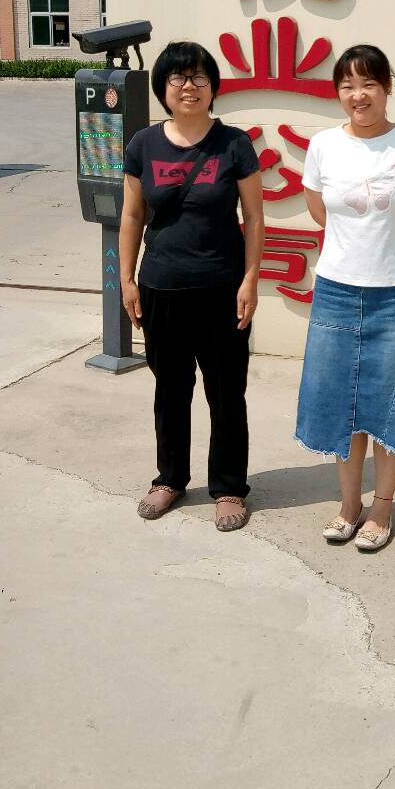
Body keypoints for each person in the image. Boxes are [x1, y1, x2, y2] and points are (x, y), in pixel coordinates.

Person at [295, 45, 395, 552]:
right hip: (335, 292)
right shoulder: (323, 146)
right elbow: (320, 211)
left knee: (391, 403)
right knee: (340, 401)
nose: (358, 95)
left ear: (386, 88)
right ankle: (348, 505)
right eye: (347, 86)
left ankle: (382, 507)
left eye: (368, 85)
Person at [120, 41, 264, 531]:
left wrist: (250, 278)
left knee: (227, 394)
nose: (189, 86)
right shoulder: (143, 144)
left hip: (222, 289)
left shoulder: (234, 144)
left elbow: (254, 217)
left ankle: (229, 486)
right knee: (171, 390)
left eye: (199, 77)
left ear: (213, 87)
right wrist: (126, 280)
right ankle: (170, 479)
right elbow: (132, 216)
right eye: (178, 77)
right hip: (161, 287)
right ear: (163, 87)